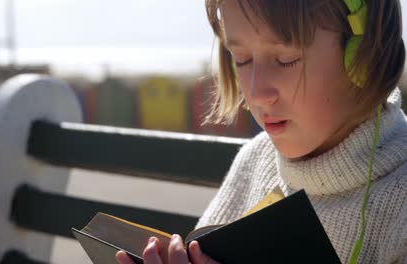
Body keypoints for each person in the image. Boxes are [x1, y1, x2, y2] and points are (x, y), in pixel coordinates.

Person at [116, 0, 407, 263]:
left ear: (364, 56)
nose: (255, 93)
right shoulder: (255, 160)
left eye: (285, 59)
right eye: (241, 59)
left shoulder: (399, 206)